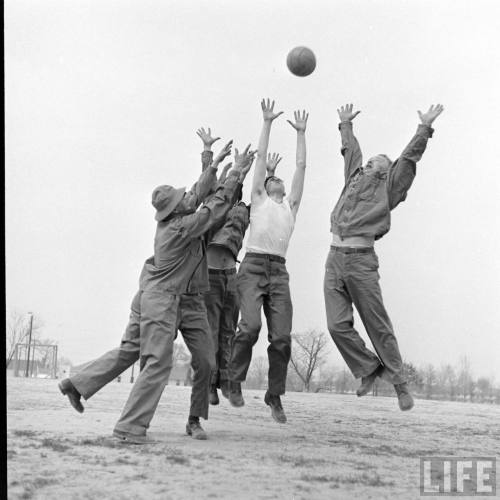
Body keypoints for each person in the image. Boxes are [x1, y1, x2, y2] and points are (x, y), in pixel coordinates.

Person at [59, 141, 255, 443]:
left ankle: (77, 384)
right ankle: (130, 427)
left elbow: (198, 194)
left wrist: (213, 164)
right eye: (181, 199)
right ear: (176, 210)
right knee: (158, 363)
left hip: (183, 298)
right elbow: (212, 211)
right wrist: (236, 176)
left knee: (202, 360)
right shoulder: (180, 227)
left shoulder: (178, 215)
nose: (186, 198)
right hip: (161, 298)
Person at [324, 103, 444, 411]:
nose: (368, 162)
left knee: (377, 324)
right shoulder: (355, 177)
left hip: (361, 260)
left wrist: (424, 129)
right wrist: (346, 125)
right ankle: (368, 368)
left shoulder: (388, 186)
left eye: (376, 160)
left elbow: (407, 160)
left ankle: (400, 385)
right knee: (337, 326)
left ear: (385, 170)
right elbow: (351, 152)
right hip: (334, 257)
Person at [228, 99, 308, 424]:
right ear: (262, 186)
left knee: (282, 338)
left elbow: (302, 168)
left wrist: (301, 134)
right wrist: (267, 123)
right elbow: (261, 160)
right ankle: (233, 380)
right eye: (271, 179)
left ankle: (274, 395)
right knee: (249, 328)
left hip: (279, 271)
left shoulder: (290, 206)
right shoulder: (258, 201)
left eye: (279, 180)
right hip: (253, 265)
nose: (277, 180)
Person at [196, 128, 252, 406]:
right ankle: (208, 385)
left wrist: (246, 170)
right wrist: (208, 152)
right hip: (209, 275)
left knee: (229, 332)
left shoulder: (243, 208)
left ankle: (227, 382)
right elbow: (206, 183)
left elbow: (254, 189)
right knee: (211, 330)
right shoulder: (211, 205)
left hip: (232, 276)